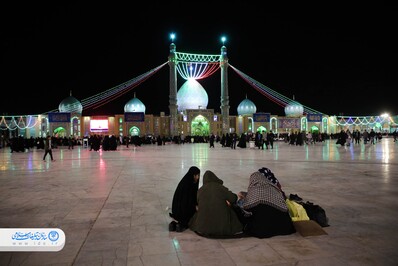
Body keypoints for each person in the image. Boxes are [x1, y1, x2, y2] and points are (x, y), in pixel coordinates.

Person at [241, 167, 295, 238]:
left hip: (261, 230)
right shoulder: (273, 188)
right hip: (283, 227)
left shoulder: (254, 190)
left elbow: (246, 207)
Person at [188, 170, 243, 238]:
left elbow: (198, 203)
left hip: (202, 227)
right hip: (222, 226)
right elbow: (233, 199)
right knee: (231, 210)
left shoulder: (200, 190)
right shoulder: (220, 187)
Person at [169, 166, 201, 232]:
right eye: (196, 175)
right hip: (182, 209)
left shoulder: (187, 182)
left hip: (178, 209)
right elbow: (186, 201)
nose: (198, 177)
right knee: (192, 218)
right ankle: (180, 226)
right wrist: (194, 207)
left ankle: (174, 225)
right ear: (193, 175)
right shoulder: (187, 185)